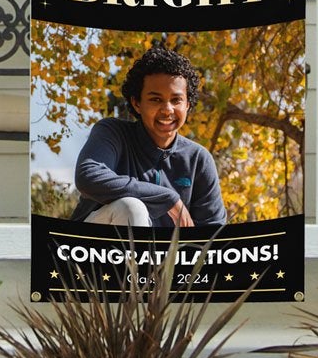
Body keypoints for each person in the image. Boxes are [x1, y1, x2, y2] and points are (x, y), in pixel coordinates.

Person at [70, 43, 227, 228]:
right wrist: (168, 198)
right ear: (136, 103)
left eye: (176, 100)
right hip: (97, 249)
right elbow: (88, 176)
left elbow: (213, 232)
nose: (167, 110)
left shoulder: (198, 160)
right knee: (131, 207)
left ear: (188, 106)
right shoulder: (113, 132)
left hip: (165, 255)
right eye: (156, 99)